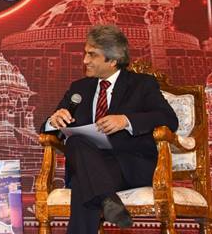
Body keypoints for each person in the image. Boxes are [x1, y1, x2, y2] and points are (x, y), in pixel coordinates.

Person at [43, 25, 178, 233]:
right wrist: (53, 122)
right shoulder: (79, 88)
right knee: (76, 142)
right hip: (89, 164)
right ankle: (107, 198)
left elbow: (168, 119)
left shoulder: (142, 85)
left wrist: (126, 120)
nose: (85, 60)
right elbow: (49, 132)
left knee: (83, 182)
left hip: (128, 167)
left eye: (92, 55)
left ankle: (103, 195)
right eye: (85, 53)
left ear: (113, 60)